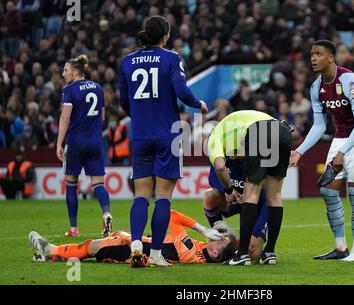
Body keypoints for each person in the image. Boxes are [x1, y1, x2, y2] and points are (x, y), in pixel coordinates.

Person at [119, 15, 208, 267]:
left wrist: (139, 116)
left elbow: (124, 101)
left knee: (141, 194)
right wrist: (197, 104)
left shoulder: (127, 62)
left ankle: (136, 243)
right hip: (168, 135)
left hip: (141, 135)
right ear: (165, 35)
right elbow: (181, 91)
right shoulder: (171, 58)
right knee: (164, 197)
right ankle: (156, 254)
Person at [289, 40, 354, 262]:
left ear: (331, 57)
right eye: (311, 54)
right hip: (341, 137)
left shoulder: (350, 81)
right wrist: (299, 151)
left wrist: (343, 152)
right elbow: (319, 126)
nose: (313, 58)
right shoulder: (315, 88)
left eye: (319, 54)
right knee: (328, 191)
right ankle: (340, 248)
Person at [208, 110, 293, 265]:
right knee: (274, 196)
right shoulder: (231, 129)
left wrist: (228, 190)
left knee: (251, 194)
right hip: (284, 130)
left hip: (259, 131)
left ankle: (241, 255)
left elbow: (220, 167)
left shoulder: (214, 139)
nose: (233, 157)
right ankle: (270, 253)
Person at [28, 209, 235, 265]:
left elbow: (171, 215)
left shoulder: (190, 250)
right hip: (138, 241)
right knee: (114, 235)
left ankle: (50, 250)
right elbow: (231, 250)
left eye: (220, 240)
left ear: (215, 252)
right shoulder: (203, 252)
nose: (218, 236)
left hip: (131, 249)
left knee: (92, 246)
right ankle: (54, 257)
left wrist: (201, 229)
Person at [56, 54, 113, 238]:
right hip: (96, 142)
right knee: (98, 183)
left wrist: (59, 143)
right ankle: (106, 213)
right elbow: (102, 117)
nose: (63, 73)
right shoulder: (98, 88)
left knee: (71, 183)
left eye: (65, 70)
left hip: (76, 142)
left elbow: (65, 118)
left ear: (75, 71)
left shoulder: (70, 90)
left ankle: (73, 228)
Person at [204, 157, 268, 260]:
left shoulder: (257, 159)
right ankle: (219, 232)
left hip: (253, 206)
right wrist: (226, 190)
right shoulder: (220, 152)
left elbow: (267, 201)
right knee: (210, 195)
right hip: (230, 201)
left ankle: (238, 242)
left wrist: (256, 233)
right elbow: (212, 177)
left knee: (253, 253)